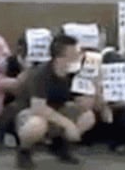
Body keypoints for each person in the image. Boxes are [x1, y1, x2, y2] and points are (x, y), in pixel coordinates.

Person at [13, 34, 94, 169]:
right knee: (36, 125)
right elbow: (38, 108)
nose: (78, 57)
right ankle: (24, 151)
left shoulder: (74, 73)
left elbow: (78, 99)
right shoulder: (41, 74)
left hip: (59, 110)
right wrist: (67, 124)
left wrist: (89, 95)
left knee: (88, 116)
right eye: (74, 54)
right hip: (31, 113)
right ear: (60, 58)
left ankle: (61, 145)